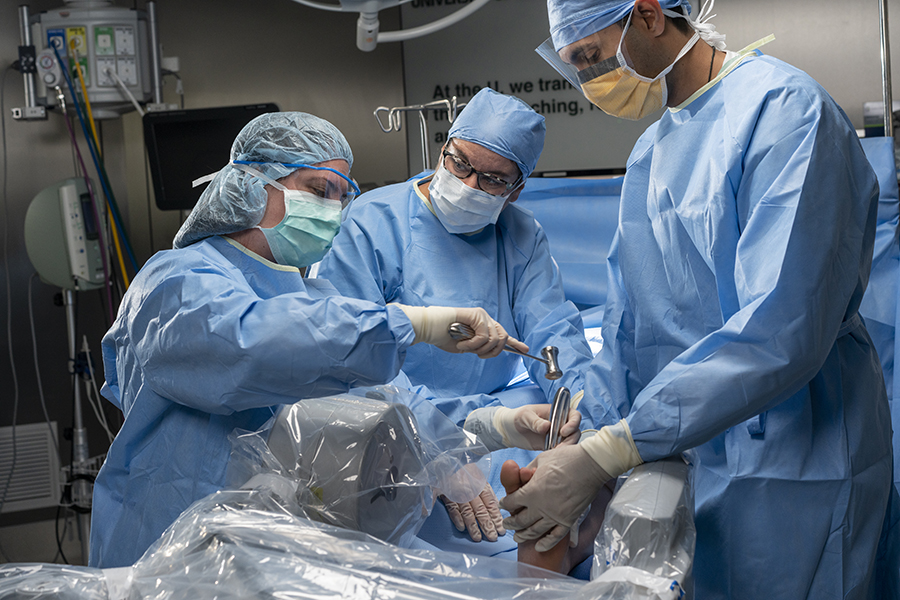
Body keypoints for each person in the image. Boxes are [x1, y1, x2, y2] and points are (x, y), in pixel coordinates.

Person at [501, 1, 898, 597]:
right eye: (574, 67)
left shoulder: (784, 112)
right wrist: (589, 450)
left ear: (650, 15)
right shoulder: (650, 152)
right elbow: (630, 330)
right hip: (684, 452)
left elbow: (784, 326)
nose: (588, 83)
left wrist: (617, 448)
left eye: (590, 56)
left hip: (797, 453)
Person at [89, 112, 529, 568]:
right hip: (170, 545)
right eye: (320, 191)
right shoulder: (177, 282)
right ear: (252, 184)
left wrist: (492, 426)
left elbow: (385, 396)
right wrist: (412, 324)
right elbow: (253, 348)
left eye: (343, 197)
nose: (332, 211)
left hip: (265, 545)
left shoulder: (310, 295)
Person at [318, 88, 594, 553]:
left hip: (502, 415)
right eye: (459, 163)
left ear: (517, 189)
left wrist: (580, 413)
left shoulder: (520, 236)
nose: (468, 185)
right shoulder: (370, 224)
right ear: (443, 148)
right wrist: (436, 449)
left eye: (492, 180)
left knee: (552, 521)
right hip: (396, 420)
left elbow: (553, 335)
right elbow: (351, 361)